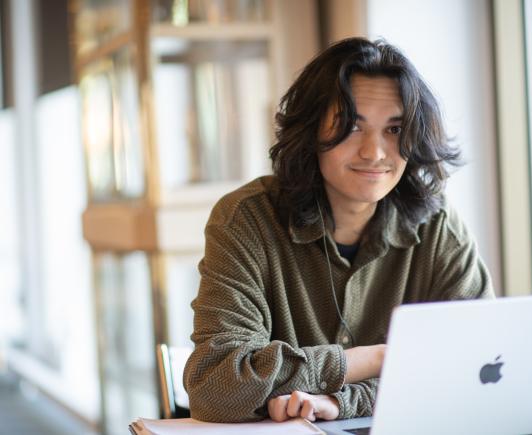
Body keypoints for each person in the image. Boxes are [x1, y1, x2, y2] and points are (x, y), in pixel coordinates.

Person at [183, 37, 494, 423]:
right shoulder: (246, 220)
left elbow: (476, 366)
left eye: (394, 130)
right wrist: (377, 358)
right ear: (311, 130)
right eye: (351, 126)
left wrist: (343, 400)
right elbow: (216, 385)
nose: (375, 152)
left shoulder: (438, 225)